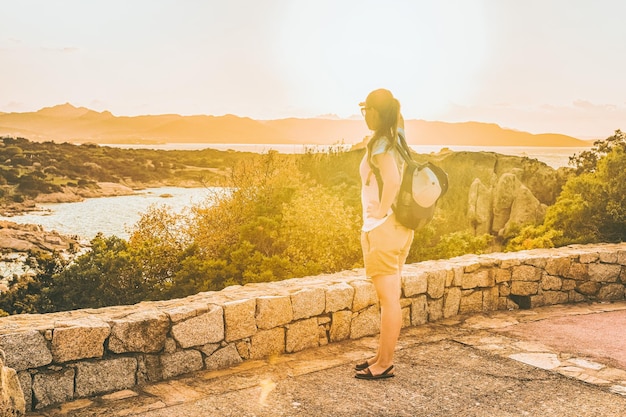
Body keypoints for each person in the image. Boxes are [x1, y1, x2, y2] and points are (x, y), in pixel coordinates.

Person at [354, 88, 414, 380]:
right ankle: (381, 356)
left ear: (377, 113)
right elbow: (398, 116)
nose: (365, 115)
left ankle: (384, 364)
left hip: (385, 228)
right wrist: (393, 110)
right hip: (402, 227)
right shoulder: (397, 137)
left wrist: (379, 214)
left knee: (388, 300)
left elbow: (392, 179)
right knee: (390, 297)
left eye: (367, 110)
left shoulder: (381, 142)